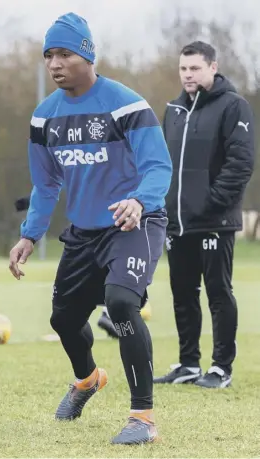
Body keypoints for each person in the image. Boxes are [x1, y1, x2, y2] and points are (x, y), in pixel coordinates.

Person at [9, 12, 172, 445]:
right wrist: (30, 234)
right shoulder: (44, 118)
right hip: (83, 232)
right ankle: (87, 380)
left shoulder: (126, 104)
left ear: (87, 54)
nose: (54, 64)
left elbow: (158, 166)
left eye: (64, 53)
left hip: (135, 221)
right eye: (48, 56)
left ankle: (142, 418)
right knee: (63, 319)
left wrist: (140, 201)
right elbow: (46, 184)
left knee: (121, 303)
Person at [154, 41, 254, 388]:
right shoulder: (173, 109)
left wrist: (211, 202)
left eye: (195, 68)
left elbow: (240, 164)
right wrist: (166, 206)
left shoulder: (233, 106)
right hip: (177, 223)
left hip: (214, 221)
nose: (188, 75)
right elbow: (164, 163)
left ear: (213, 67)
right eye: (183, 69)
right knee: (182, 293)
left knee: (218, 292)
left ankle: (221, 368)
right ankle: (188, 364)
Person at [14, 195, 151, 339]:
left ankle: (112, 311)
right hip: (102, 228)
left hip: (122, 221)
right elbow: (56, 183)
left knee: (125, 280)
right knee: (119, 277)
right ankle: (109, 313)